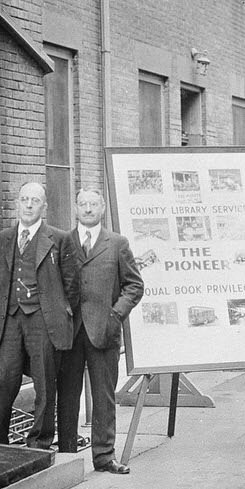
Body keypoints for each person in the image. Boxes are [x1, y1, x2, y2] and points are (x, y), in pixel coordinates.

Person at [0, 181, 80, 449]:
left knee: (44, 382)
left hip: (43, 319)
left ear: (44, 206)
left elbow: (71, 287)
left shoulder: (59, 239)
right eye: (24, 199)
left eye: (35, 200)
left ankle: (38, 444)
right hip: (9, 318)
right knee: (3, 379)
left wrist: (52, 310)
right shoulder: (2, 239)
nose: (29, 205)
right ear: (17, 203)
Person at [59, 188, 142, 473]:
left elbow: (135, 286)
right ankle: (66, 456)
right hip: (70, 332)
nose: (88, 209)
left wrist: (115, 314)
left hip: (103, 331)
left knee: (104, 396)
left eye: (93, 204)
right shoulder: (63, 242)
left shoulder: (117, 243)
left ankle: (104, 457)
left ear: (103, 208)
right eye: (82, 204)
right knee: (68, 395)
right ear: (76, 208)